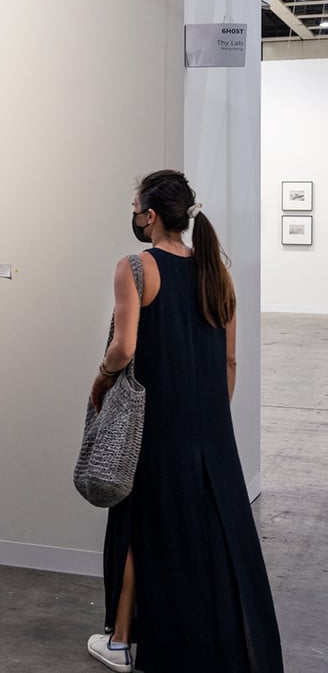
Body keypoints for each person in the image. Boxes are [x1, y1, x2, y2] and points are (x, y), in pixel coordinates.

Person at [87, 171, 283, 672]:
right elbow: (230, 362)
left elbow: (125, 347)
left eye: (135, 206)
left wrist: (102, 378)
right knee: (211, 536)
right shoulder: (217, 270)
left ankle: (123, 641)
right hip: (210, 428)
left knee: (135, 526)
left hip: (158, 426)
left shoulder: (136, 267)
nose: (133, 215)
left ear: (150, 216)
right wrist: (212, 416)